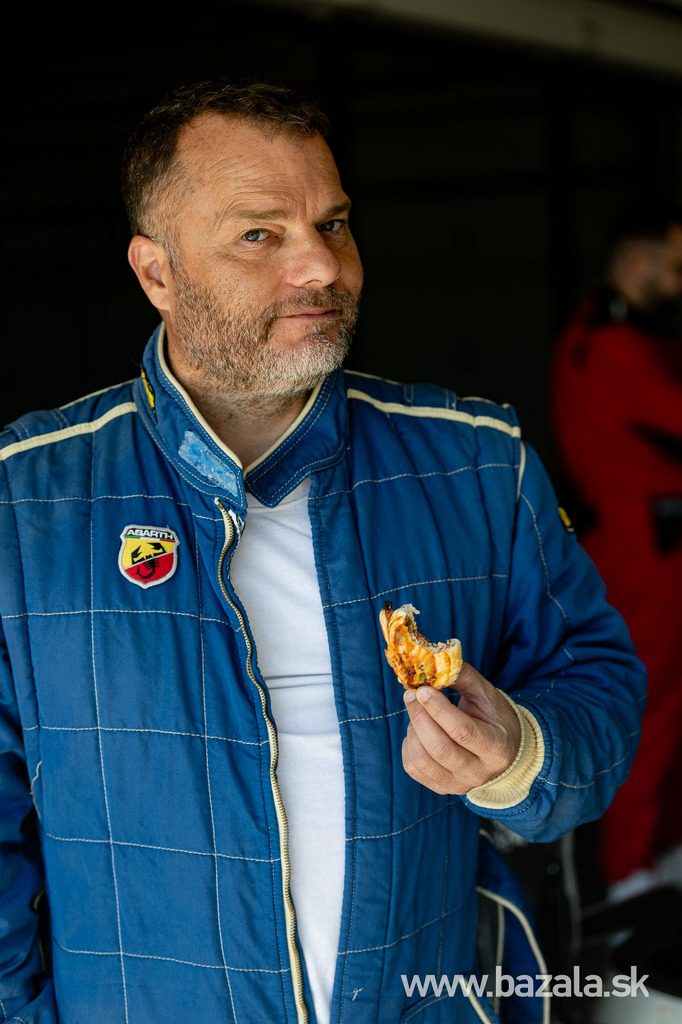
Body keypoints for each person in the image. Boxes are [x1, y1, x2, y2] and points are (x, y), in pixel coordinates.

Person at [0, 80, 645, 1024]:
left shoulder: (475, 463)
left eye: (333, 224)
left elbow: (602, 685)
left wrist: (520, 753)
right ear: (157, 273)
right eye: (259, 234)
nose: (321, 266)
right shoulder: (27, 501)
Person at [552, 194, 682, 902]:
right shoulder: (612, 344)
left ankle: (654, 853)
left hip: (652, 544)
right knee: (650, 704)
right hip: (646, 550)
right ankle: (631, 873)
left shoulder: (621, 333)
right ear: (637, 261)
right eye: (676, 267)